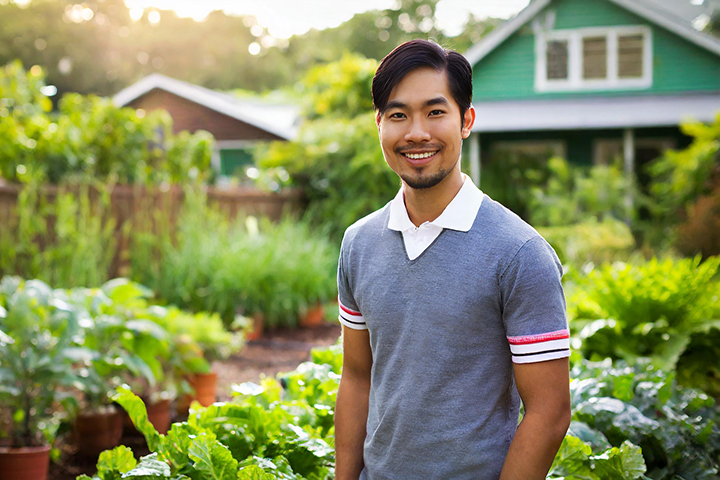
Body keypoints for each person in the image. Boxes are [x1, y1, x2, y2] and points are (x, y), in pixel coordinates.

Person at [334, 39, 571, 480]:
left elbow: (550, 412)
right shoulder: (358, 243)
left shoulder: (520, 253)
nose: (416, 132)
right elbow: (356, 376)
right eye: (399, 115)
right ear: (379, 124)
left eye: (435, 112)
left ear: (466, 121)